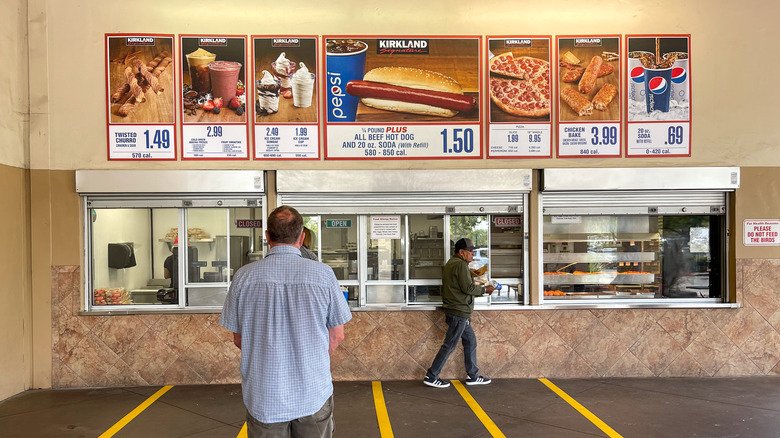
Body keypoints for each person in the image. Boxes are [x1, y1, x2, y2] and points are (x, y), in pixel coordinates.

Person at [220, 205, 352, 438]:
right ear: (301, 237)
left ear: (267, 237)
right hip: (313, 392)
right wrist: (309, 358)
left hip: (264, 396)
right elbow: (337, 335)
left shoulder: (243, 276)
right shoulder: (323, 275)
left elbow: (239, 339)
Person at [423, 237, 494, 388]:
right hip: (458, 312)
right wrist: (485, 290)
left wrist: (472, 274)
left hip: (458, 311)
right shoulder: (460, 265)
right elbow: (467, 288)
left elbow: (460, 284)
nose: (472, 254)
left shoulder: (453, 263)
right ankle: (431, 375)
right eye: (470, 251)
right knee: (449, 345)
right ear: (461, 252)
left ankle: (473, 375)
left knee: (470, 341)